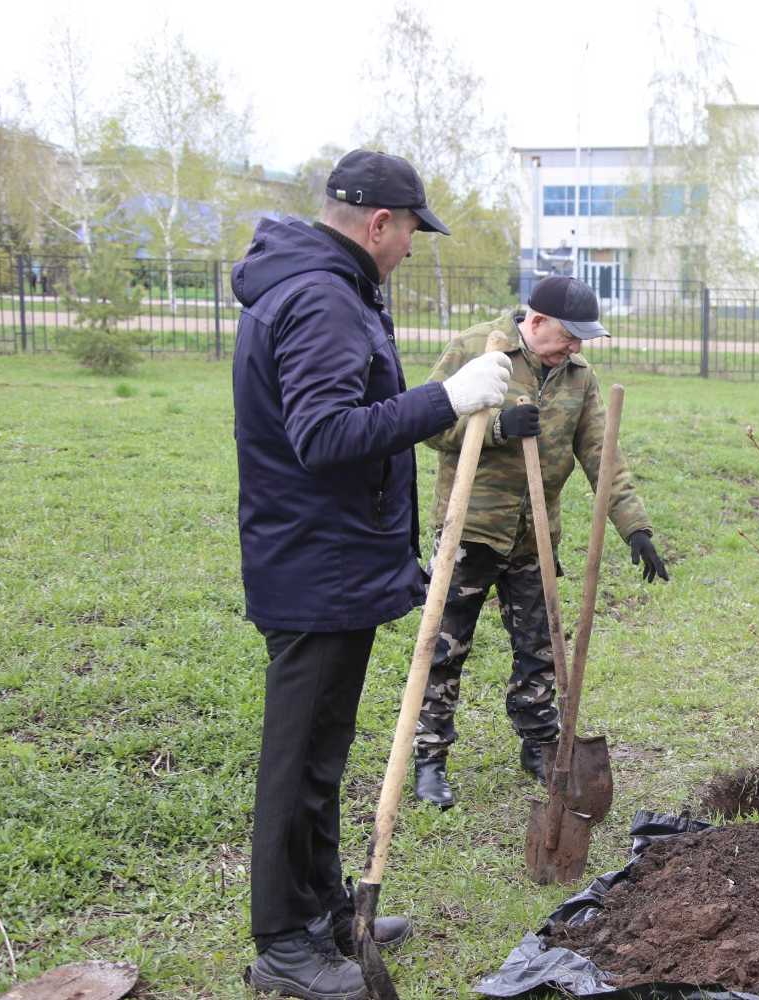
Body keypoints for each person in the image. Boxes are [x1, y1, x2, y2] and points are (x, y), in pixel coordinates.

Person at [232, 149, 513, 1000]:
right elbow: (324, 437)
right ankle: (284, 943)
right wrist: (448, 399)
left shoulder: (331, 286)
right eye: (412, 233)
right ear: (378, 223)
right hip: (314, 570)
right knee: (298, 756)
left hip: (334, 562)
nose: (415, 249)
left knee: (323, 755)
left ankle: (322, 912)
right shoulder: (319, 296)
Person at [411, 274, 669, 807]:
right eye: (570, 335)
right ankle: (429, 758)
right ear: (536, 321)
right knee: (444, 647)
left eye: (583, 338)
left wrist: (634, 526)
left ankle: (539, 745)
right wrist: (498, 426)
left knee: (539, 647)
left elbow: (603, 455)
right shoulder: (477, 348)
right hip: (471, 529)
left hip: (535, 537)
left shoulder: (579, 377)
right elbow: (429, 424)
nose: (576, 346)